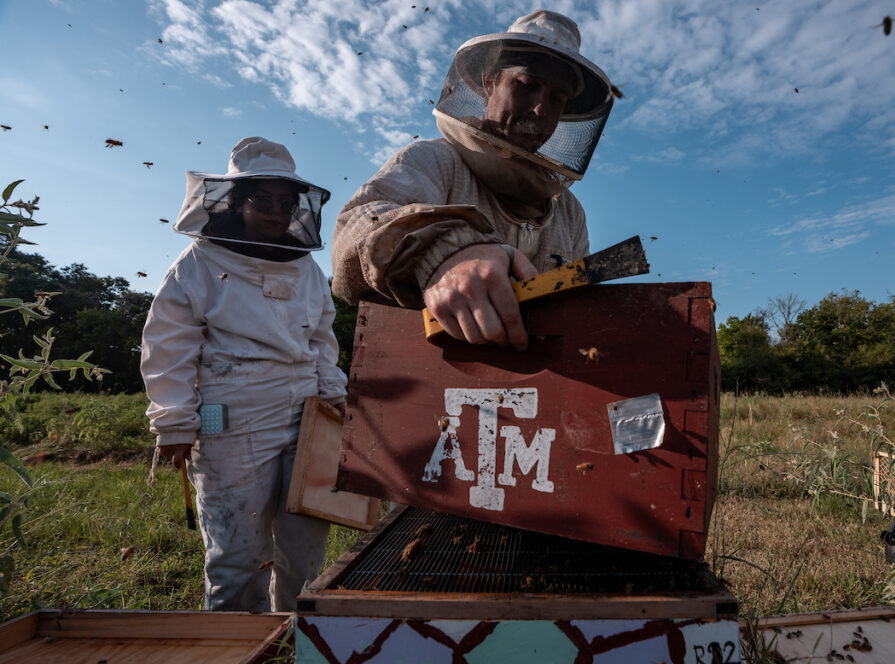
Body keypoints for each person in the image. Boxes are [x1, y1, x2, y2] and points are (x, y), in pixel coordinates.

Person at [140, 137, 348, 612]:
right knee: (236, 550)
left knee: (303, 542)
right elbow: (168, 345)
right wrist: (174, 421)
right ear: (236, 201)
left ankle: (295, 648)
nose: (277, 212)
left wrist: (335, 394)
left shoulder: (307, 268)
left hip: (306, 410)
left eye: (286, 201)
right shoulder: (198, 263)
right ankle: (239, 658)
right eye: (263, 199)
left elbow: (321, 338)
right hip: (228, 412)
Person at [332, 10, 615, 350]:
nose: (540, 108)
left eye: (557, 98)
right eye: (527, 85)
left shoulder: (568, 211)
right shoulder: (434, 160)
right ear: (491, 81)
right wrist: (446, 254)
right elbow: (356, 225)